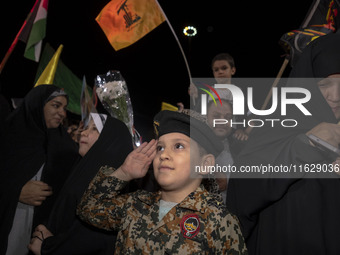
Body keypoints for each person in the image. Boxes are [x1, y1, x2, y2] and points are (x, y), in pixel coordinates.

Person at [226, 33, 340, 255]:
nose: (335, 96)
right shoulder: (277, 125)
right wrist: (304, 145)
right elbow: (242, 191)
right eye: (324, 83)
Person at [76, 109, 248, 254]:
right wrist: (124, 172)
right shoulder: (135, 204)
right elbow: (87, 208)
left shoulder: (219, 221)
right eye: (160, 147)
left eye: (179, 146)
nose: (163, 154)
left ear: (205, 164)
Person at [28, 113, 134, 255]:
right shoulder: (80, 170)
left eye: (94, 129)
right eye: (86, 128)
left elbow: (91, 241)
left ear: (110, 141)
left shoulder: (112, 188)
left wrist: (48, 246)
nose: (83, 132)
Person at [0, 84, 79, 255]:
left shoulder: (64, 146)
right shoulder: (7, 135)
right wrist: (15, 192)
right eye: (56, 105)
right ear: (37, 104)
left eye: (64, 108)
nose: (62, 113)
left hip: (35, 238)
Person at [206, 98, 247, 203]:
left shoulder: (239, 146)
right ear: (205, 118)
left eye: (228, 117)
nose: (222, 121)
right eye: (216, 116)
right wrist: (210, 177)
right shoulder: (193, 144)